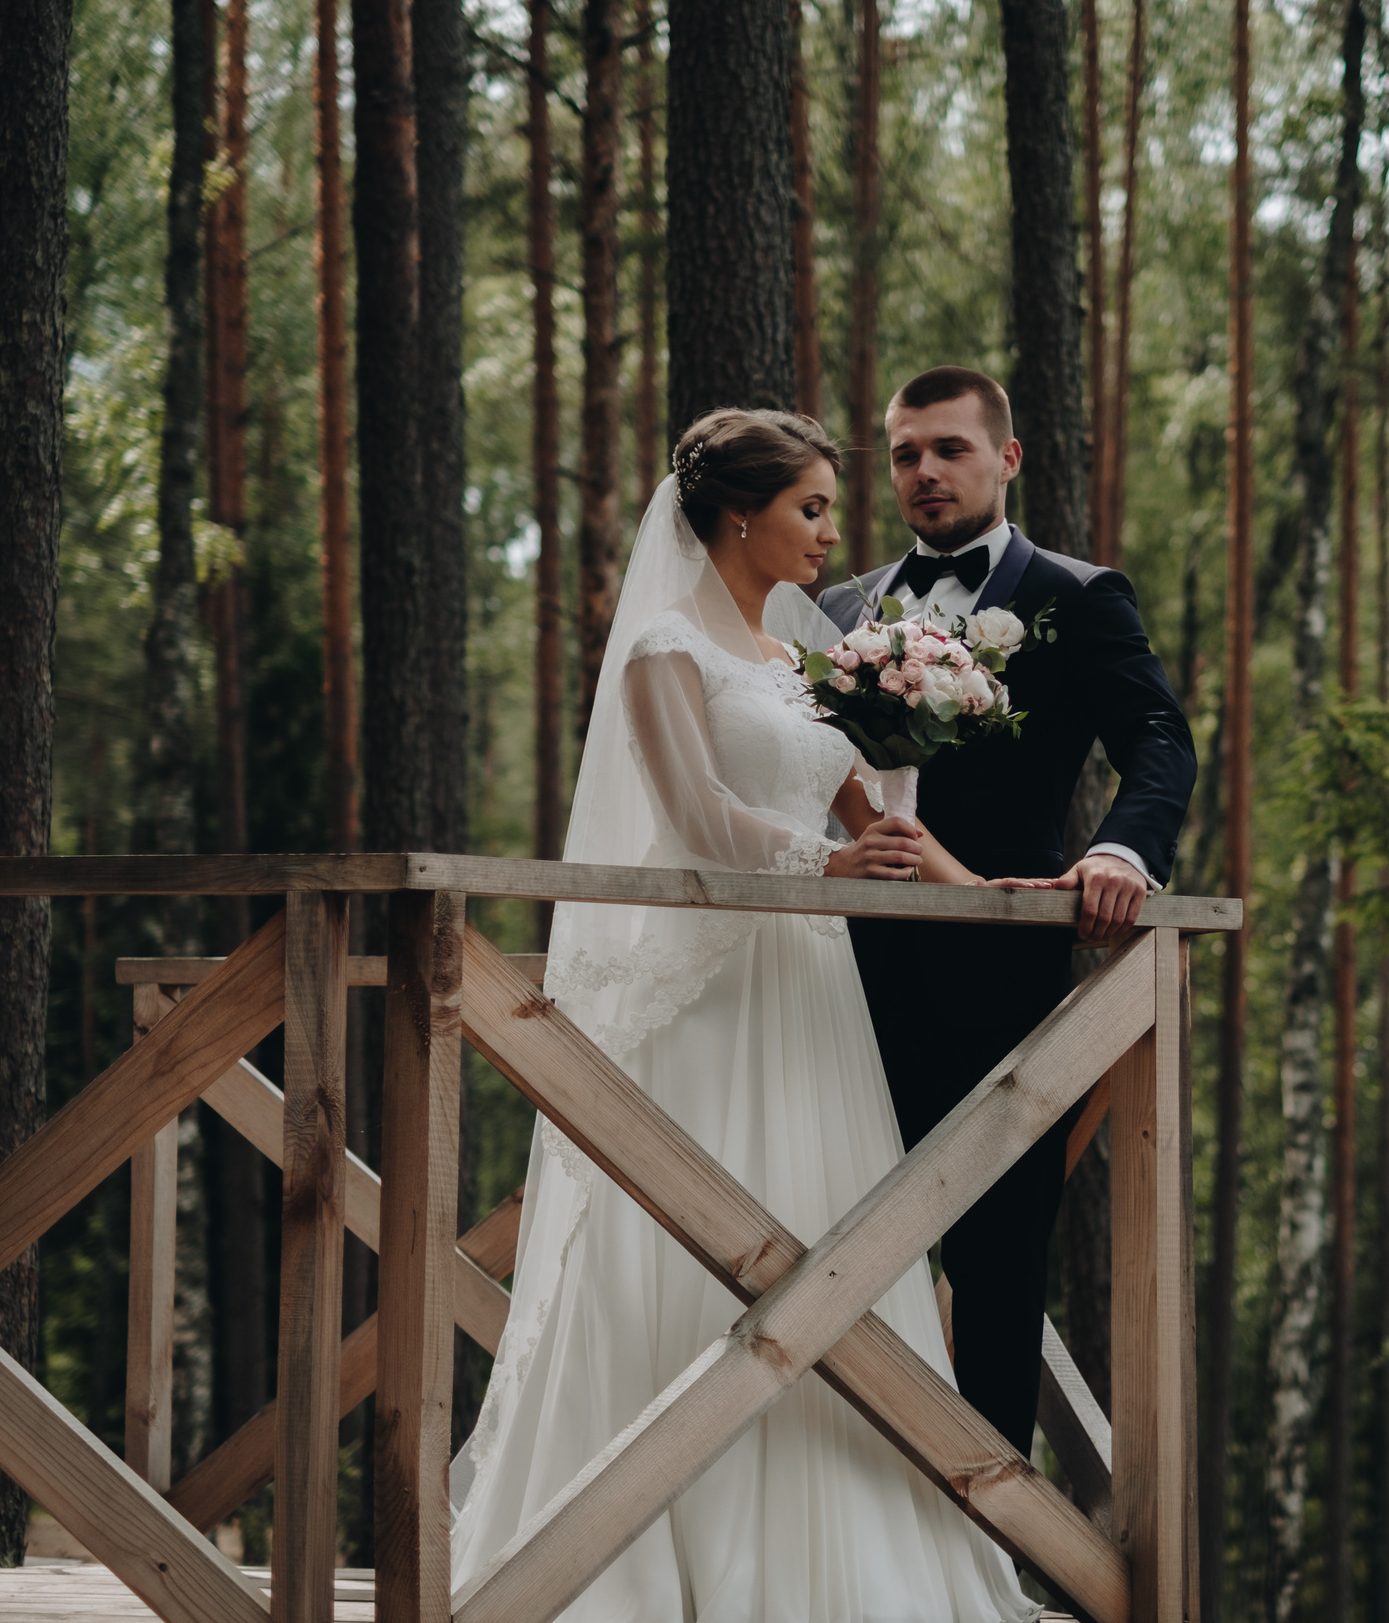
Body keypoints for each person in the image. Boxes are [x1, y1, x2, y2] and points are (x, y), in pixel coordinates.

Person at [449, 408, 1036, 1622]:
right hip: (715, 990)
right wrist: (825, 870)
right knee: (686, 1253)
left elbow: (879, 812)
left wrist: (977, 892)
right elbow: (697, 823)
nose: (831, 534)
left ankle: (845, 1554)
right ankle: (630, 1546)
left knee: (827, 1246)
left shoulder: (804, 662)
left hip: (812, 987)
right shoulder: (668, 649)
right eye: (810, 508)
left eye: (828, 508)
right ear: (737, 516)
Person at [818, 365, 1196, 1457]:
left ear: (1006, 459)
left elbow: (1159, 740)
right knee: (825, 1243)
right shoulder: (844, 610)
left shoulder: (1076, 597)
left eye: (949, 449)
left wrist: (1119, 849)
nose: (925, 473)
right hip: (839, 974)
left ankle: (984, 1562)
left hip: (1004, 980)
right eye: (904, 454)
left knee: (996, 1259)